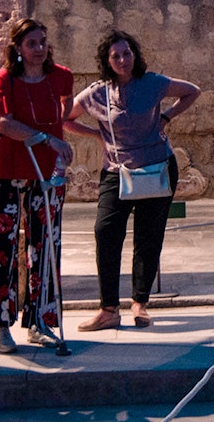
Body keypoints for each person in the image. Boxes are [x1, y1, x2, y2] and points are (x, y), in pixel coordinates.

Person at [67, 30, 202, 331]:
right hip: (117, 172)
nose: (123, 60)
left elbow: (192, 91)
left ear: (134, 56)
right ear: (107, 60)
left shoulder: (152, 83)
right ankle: (108, 309)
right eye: (116, 55)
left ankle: (140, 303)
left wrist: (166, 117)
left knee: (149, 237)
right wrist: (95, 134)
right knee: (105, 232)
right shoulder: (96, 93)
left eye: (127, 53)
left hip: (157, 167)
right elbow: (65, 118)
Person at [0, 19, 77, 353]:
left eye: (43, 42)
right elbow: (0, 122)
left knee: (46, 245)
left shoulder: (61, 75)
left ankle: (41, 321)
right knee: (1, 244)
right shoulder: (5, 79)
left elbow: (66, 107)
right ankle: (0, 326)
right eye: (32, 43)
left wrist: (57, 140)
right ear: (18, 48)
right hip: (8, 169)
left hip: (47, 173)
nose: (39, 48)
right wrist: (45, 138)